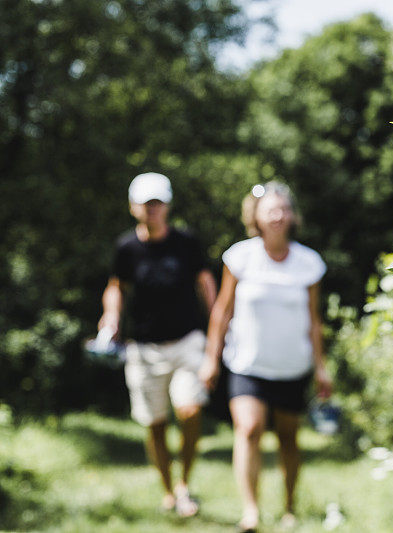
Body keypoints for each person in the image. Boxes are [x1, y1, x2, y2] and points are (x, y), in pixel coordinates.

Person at [199, 181, 333, 532]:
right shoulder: (239, 257)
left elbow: (314, 320)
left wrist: (321, 367)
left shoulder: (308, 262)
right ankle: (251, 511)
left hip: (293, 366)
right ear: (255, 216)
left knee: (288, 438)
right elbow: (221, 312)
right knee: (248, 429)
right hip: (247, 365)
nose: (277, 215)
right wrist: (211, 358)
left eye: (283, 209)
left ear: (292, 216)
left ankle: (289, 507)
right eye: (270, 209)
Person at [98, 172, 217, 517]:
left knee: (190, 408)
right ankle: (169, 489)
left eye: (158, 203)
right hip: (145, 349)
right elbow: (116, 286)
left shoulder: (186, 242)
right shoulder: (127, 248)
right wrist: (111, 316)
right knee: (156, 424)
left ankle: (184, 482)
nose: (152, 210)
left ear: (167, 206)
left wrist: (217, 327)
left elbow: (205, 282)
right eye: (146, 203)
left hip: (187, 341)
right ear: (134, 207)